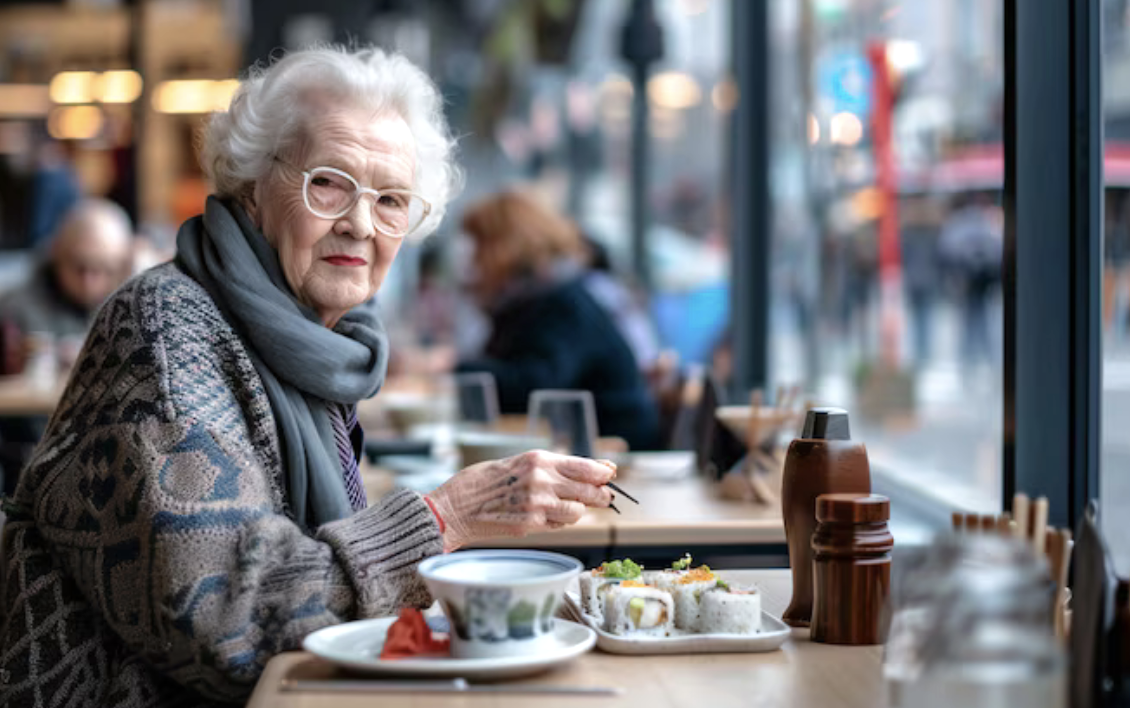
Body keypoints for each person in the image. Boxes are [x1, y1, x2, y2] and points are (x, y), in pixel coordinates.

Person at [0, 47, 616, 708]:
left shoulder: (315, 344)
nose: (359, 221)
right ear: (250, 187)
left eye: (391, 201)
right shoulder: (163, 332)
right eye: (329, 182)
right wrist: (445, 516)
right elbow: (226, 620)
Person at [455, 190, 661, 450]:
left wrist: (455, 371)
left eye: (479, 246)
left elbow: (535, 386)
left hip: (615, 452)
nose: (473, 261)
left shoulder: (565, 302)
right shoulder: (536, 296)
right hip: (578, 445)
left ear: (504, 246)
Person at [0, 198, 133, 363]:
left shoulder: (133, 304)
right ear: (57, 252)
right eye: (79, 267)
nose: (88, 282)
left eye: (104, 268)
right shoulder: (14, 310)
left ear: (122, 266)